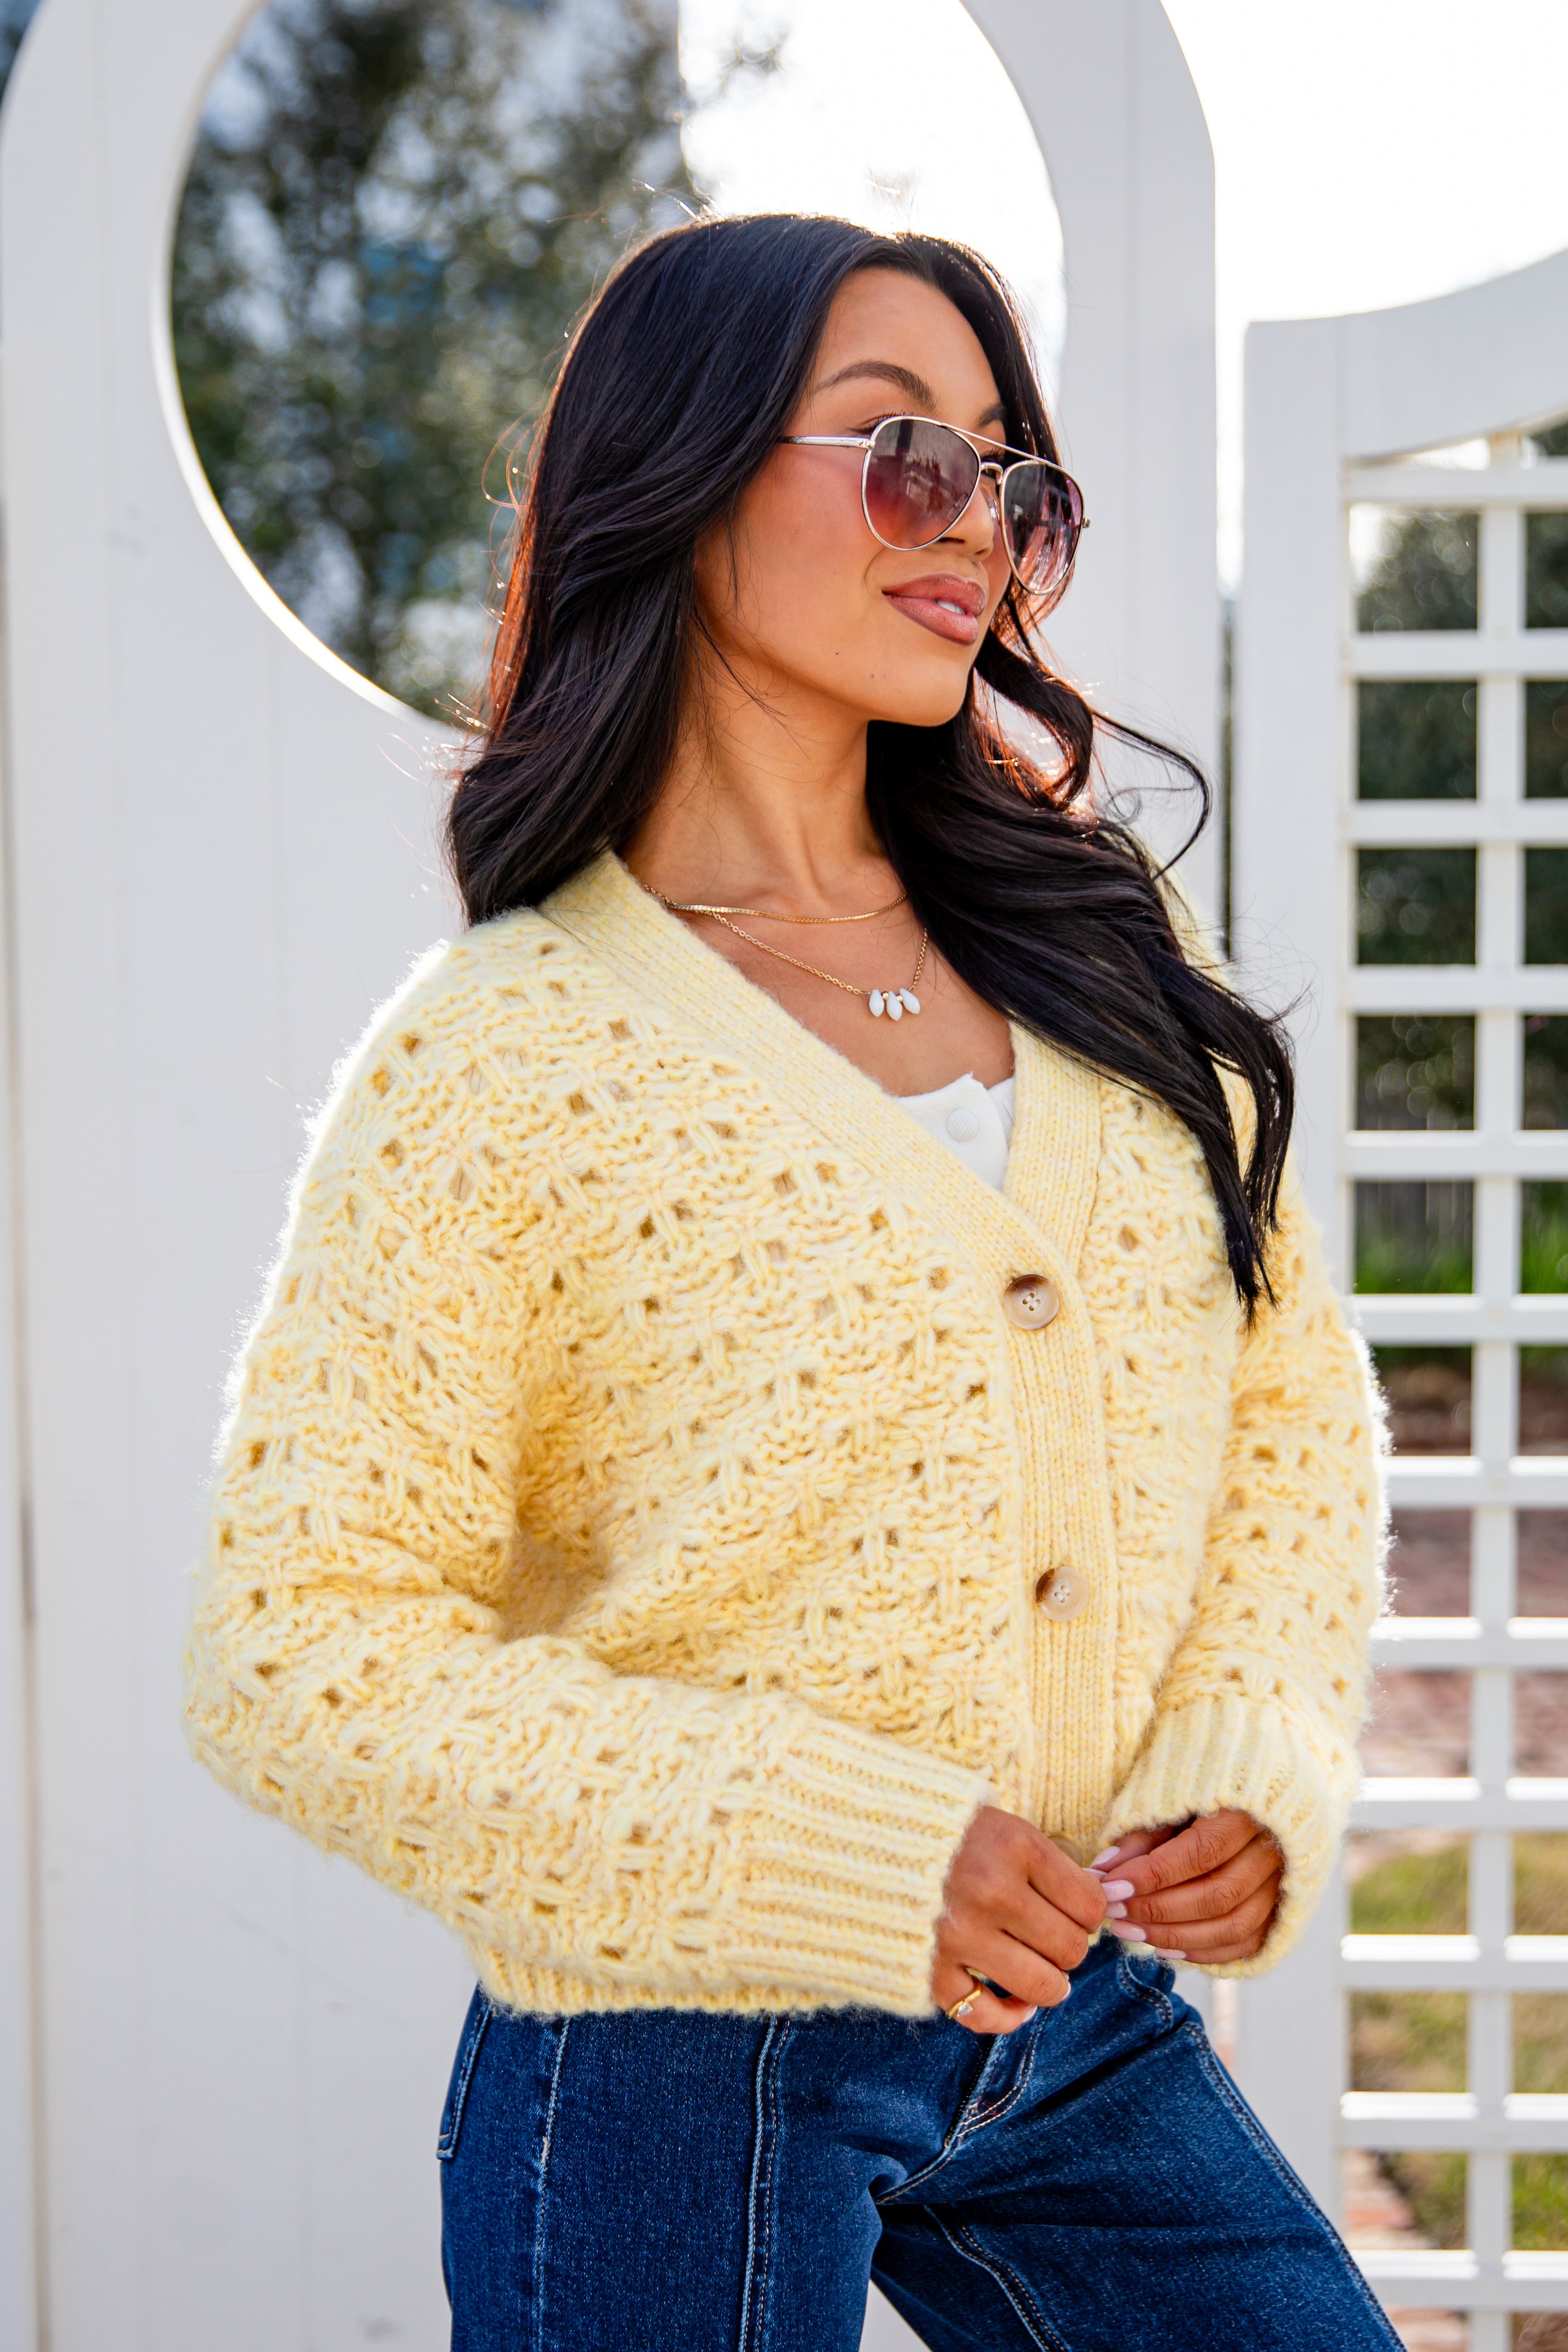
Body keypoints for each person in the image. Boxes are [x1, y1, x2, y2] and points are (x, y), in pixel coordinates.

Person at [184, 213, 1392, 2350]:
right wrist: (832, 1838)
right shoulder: (512, 1052)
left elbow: (1292, 1405)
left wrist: (1246, 1743)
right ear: (682, 469)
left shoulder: (1101, 955)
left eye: (1018, 490)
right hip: (673, 2041)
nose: (978, 530)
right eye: (900, 451)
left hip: (1077, 2014)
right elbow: (297, 1650)